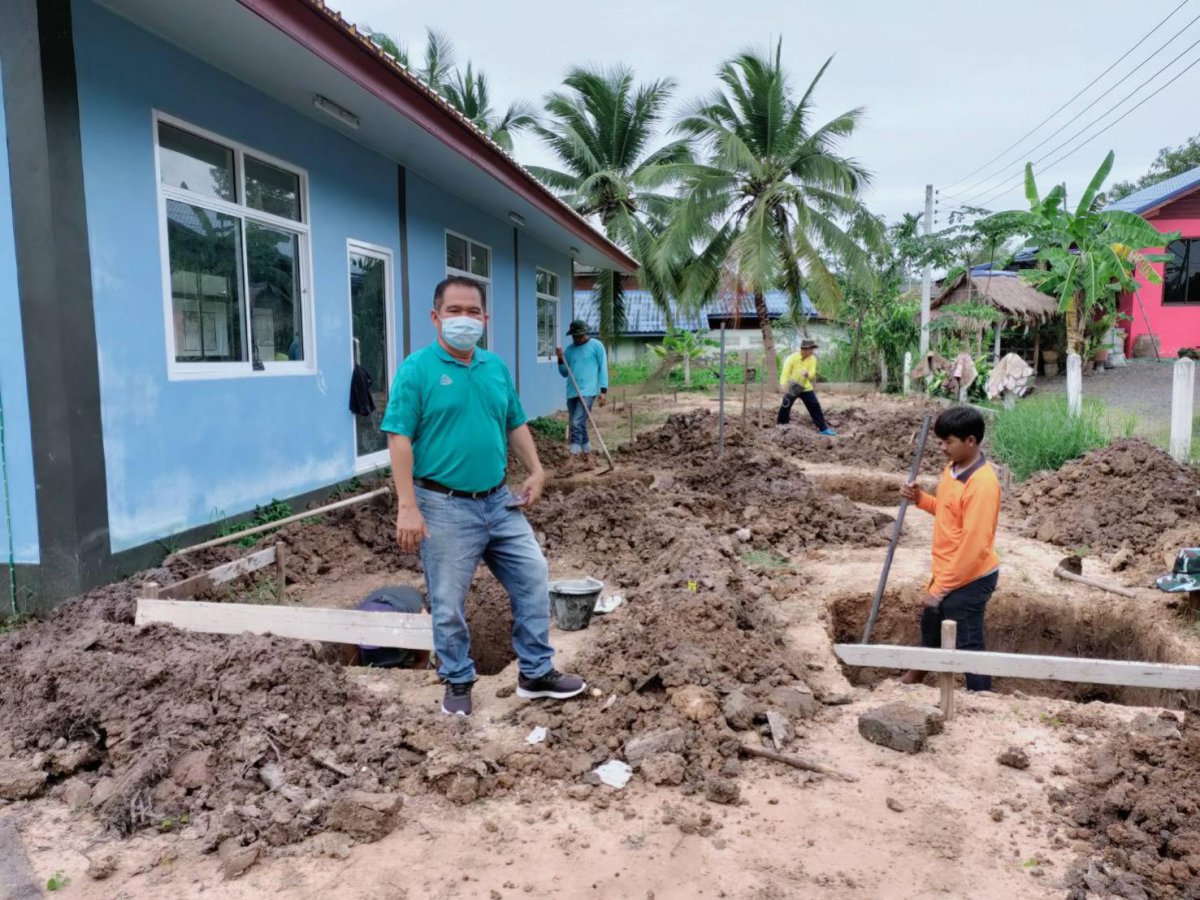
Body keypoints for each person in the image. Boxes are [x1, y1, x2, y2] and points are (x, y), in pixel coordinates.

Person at [382, 275, 586, 716]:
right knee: (449, 602)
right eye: (454, 311)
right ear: (436, 317)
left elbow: (514, 421)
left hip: (499, 500)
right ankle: (456, 679)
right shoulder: (417, 370)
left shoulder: (494, 367)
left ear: (485, 318)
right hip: (443, 505)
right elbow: (398, 438)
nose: (464, 319)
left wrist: (535, 469)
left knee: (533, 576)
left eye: (473, 311)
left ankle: (535, 672)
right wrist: (407, 506)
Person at [898, 406, 1001, 692]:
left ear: (970, 441)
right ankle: (917, 675)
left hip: (972, 575)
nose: (942, 448)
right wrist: (920, 498)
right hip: (950, 568)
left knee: (967, 640)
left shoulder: (982, 485)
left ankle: (981, 696)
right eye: (940, 441)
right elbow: (947, 513)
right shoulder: (952, 470)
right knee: (931, 621)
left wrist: (941, 588)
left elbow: (974, 547)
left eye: (948, 442)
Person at [555, 320, 608, 471]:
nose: (576, 339)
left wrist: (603, 391)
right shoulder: (570, 350)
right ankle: (589, 459)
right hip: (572, 392)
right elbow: (564, 373)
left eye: (579, 336)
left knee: (576, 423)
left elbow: (603, 368)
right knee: (580, 425)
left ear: (585, 333)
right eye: (574, 337)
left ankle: (572, 458)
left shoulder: (596, 346)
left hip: (588, 392)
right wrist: (560, 359)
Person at [354, 585, 429, 669]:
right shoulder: (356, 618)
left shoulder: (415, 614)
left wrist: (421, 662)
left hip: (407, 602)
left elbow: (425, 630)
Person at [777, 339, 836, 435]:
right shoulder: (792, 359)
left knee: (814, 406)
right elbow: (785, 374)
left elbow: (813, 374)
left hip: (806, 386)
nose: (812, 351)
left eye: (813, 349)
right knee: (786, 405)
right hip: (793, 385)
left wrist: (807, 374)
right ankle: (782, 426)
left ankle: (823, 428)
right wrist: (784, 385)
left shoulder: (812, 359)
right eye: (810, 349)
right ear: (804, 349)